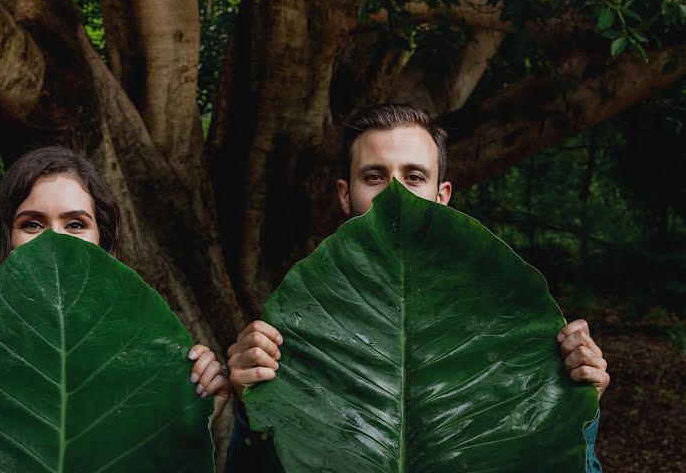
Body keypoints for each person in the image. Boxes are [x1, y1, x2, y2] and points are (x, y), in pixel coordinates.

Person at [225, 103, 609, 471]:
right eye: (374, 176)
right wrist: (252, 406)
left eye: (414, 177)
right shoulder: (300, 334)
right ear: (345, 194)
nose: (396, 195)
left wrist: (577, 407)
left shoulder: (505, 327)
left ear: (442, 195)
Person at [0, 146, 230, 427]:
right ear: (7, 239)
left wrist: (195, 420)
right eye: (32, 224)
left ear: (101, 241)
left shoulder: (150, 359)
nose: (54, 243)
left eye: (75, 224)